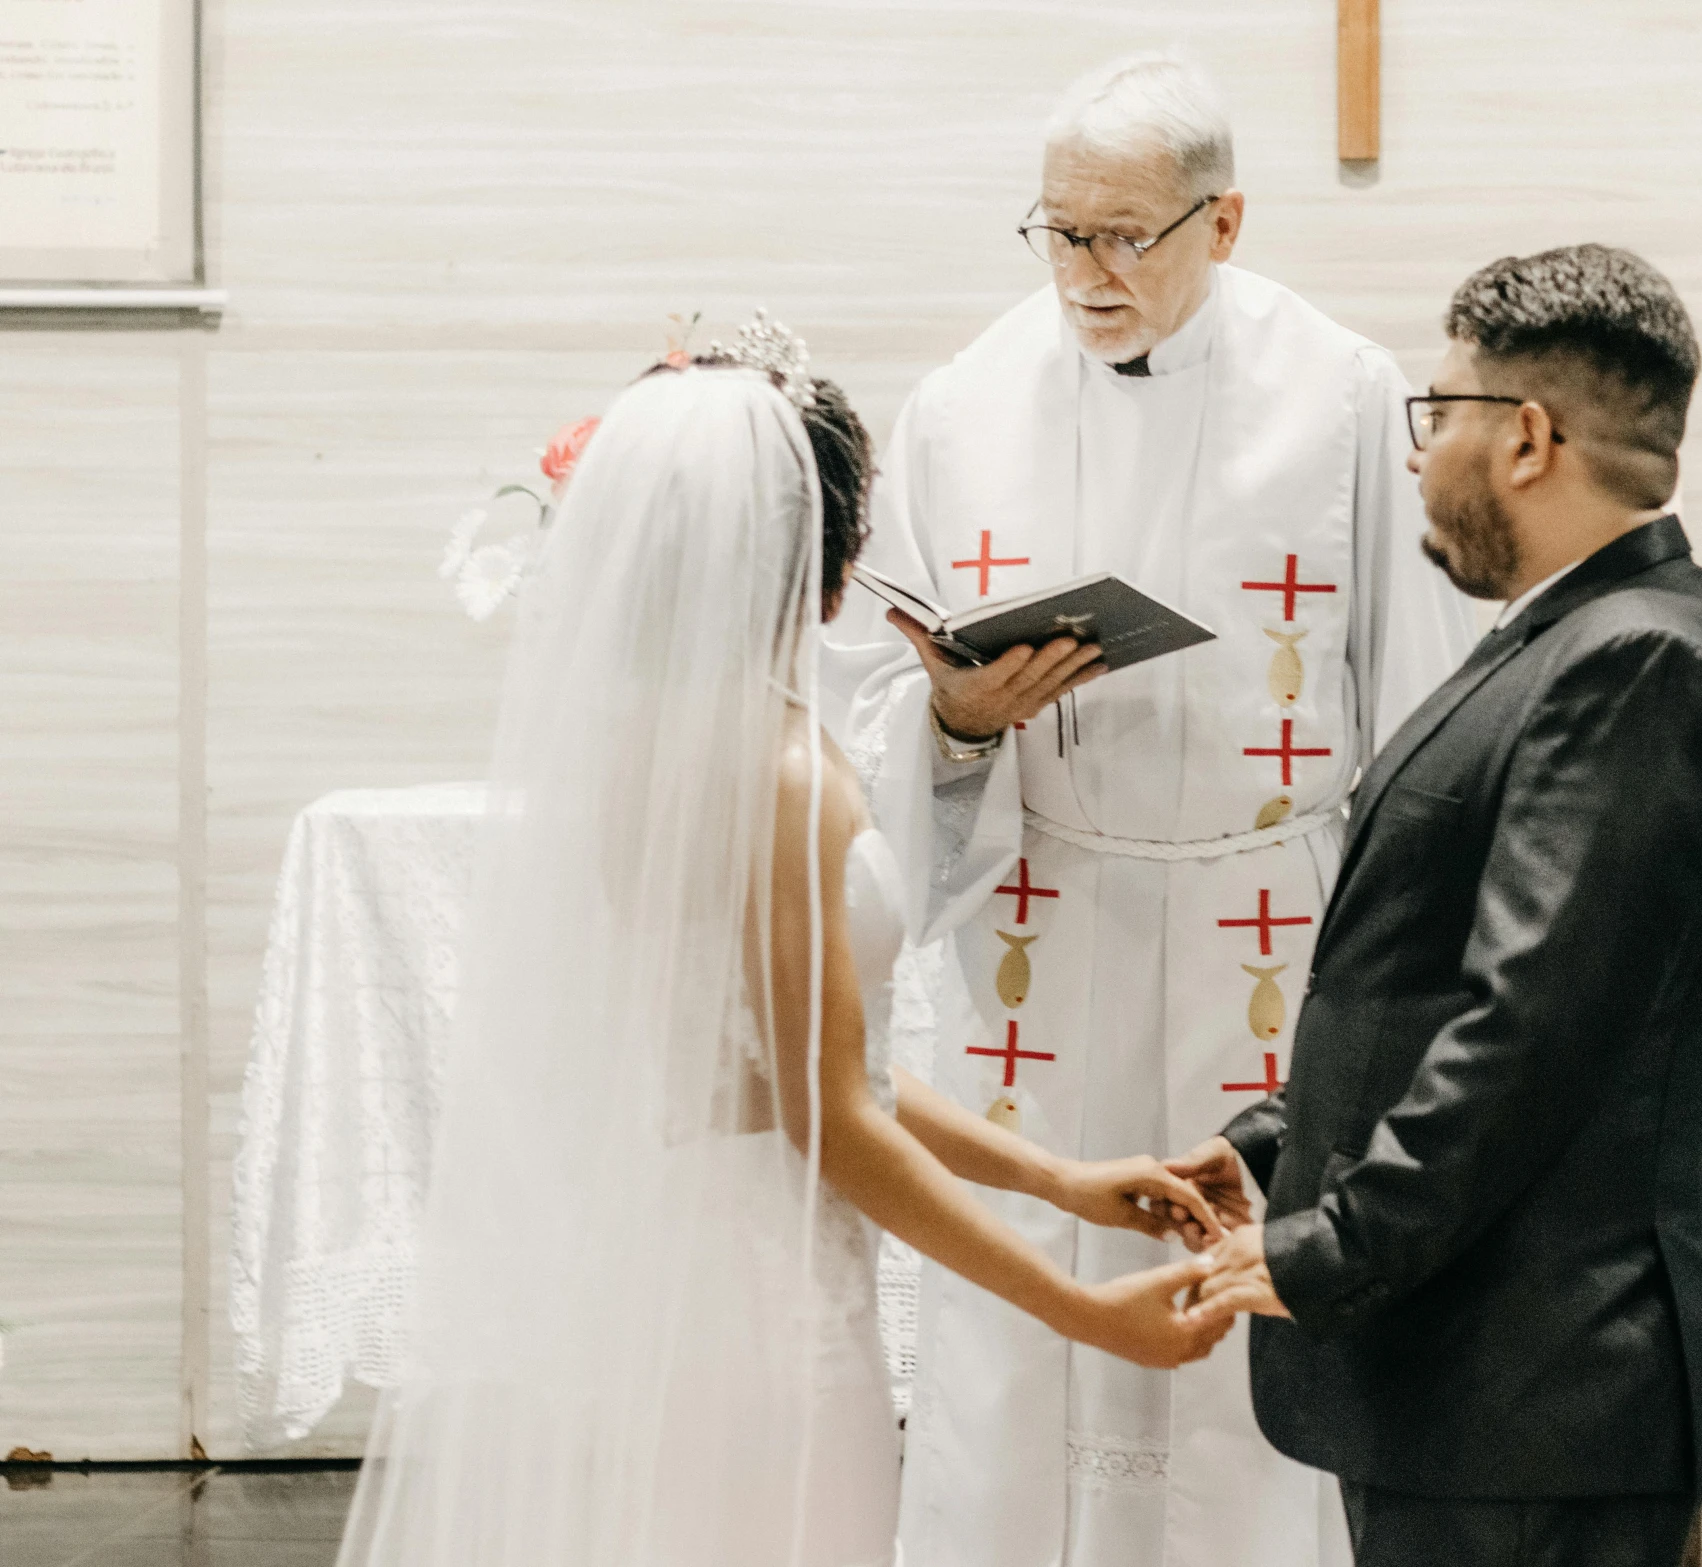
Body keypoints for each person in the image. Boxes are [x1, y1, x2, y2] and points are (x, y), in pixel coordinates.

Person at [335, 332, 1231, 1567]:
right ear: (834, 567)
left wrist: (1057, 1181)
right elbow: (827, 1112)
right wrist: (1078, 1309)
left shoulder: (645, 753)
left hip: (681, 1257)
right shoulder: (777, 774)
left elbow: (801, 1057)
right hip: (763, 1302)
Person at [824, 52, 1474, 1567]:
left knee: (1249, 1285)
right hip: (1036, 929)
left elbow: (1421, 694)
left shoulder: (1344, 392)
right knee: (1019, 1305)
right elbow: (881, 683)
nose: (1087, 271)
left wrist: (1392, 962)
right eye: (1059, 230)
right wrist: (952, 717)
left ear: (1223, 220)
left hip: (1268, 921)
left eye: (1126, 234)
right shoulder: (961, 401)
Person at [1179, 245, 1702, 1567]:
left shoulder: (1636, 661)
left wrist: (1332, 1244)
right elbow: (1449, 976)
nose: (1418, 454)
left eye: (1435, 411)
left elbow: (1530, 1026)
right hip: (1488, 1380)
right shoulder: (1574, 636)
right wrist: (1269, 1149)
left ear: (1523, 437)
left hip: (1538, 1383)